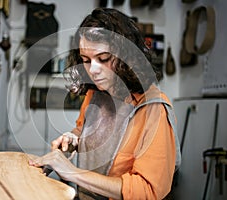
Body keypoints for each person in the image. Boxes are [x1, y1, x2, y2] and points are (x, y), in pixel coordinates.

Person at [29, 7, 181, 200]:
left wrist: (73, 172)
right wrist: (73, 139)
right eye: (85, 60)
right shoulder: (96, 93)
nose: (93, 69)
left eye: (103, 59)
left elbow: (148, 191)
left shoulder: (154, 109)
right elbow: (83, 128)